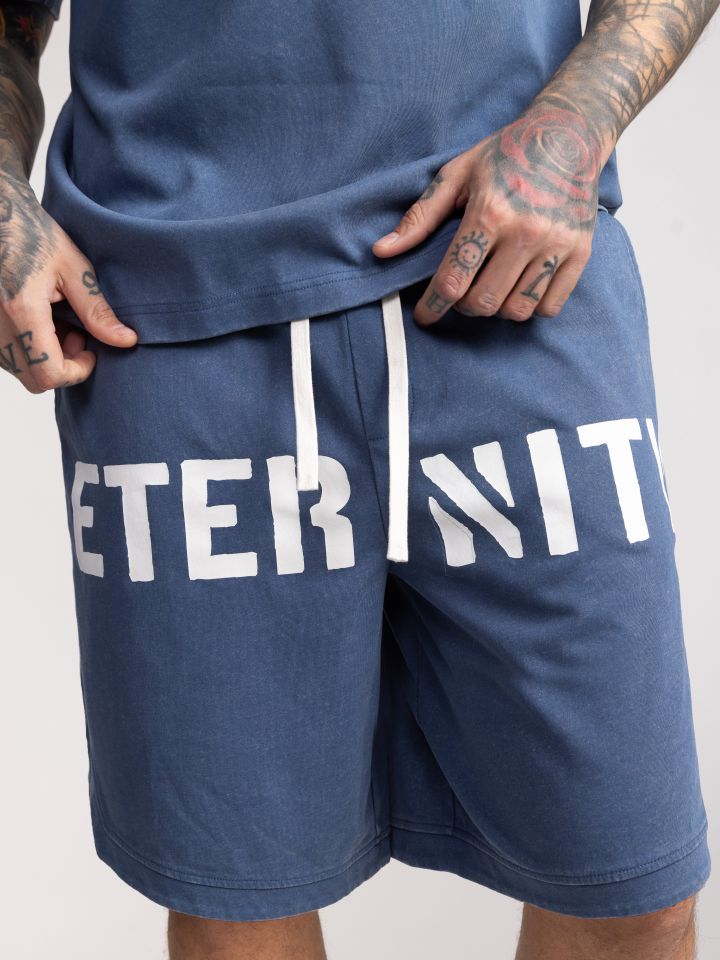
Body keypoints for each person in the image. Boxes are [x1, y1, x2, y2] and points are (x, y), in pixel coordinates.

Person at [0, 0, 715, 957]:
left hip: (511, 266)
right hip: (174, 306)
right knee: (239, 900)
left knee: (631, 891)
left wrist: (578, 121)